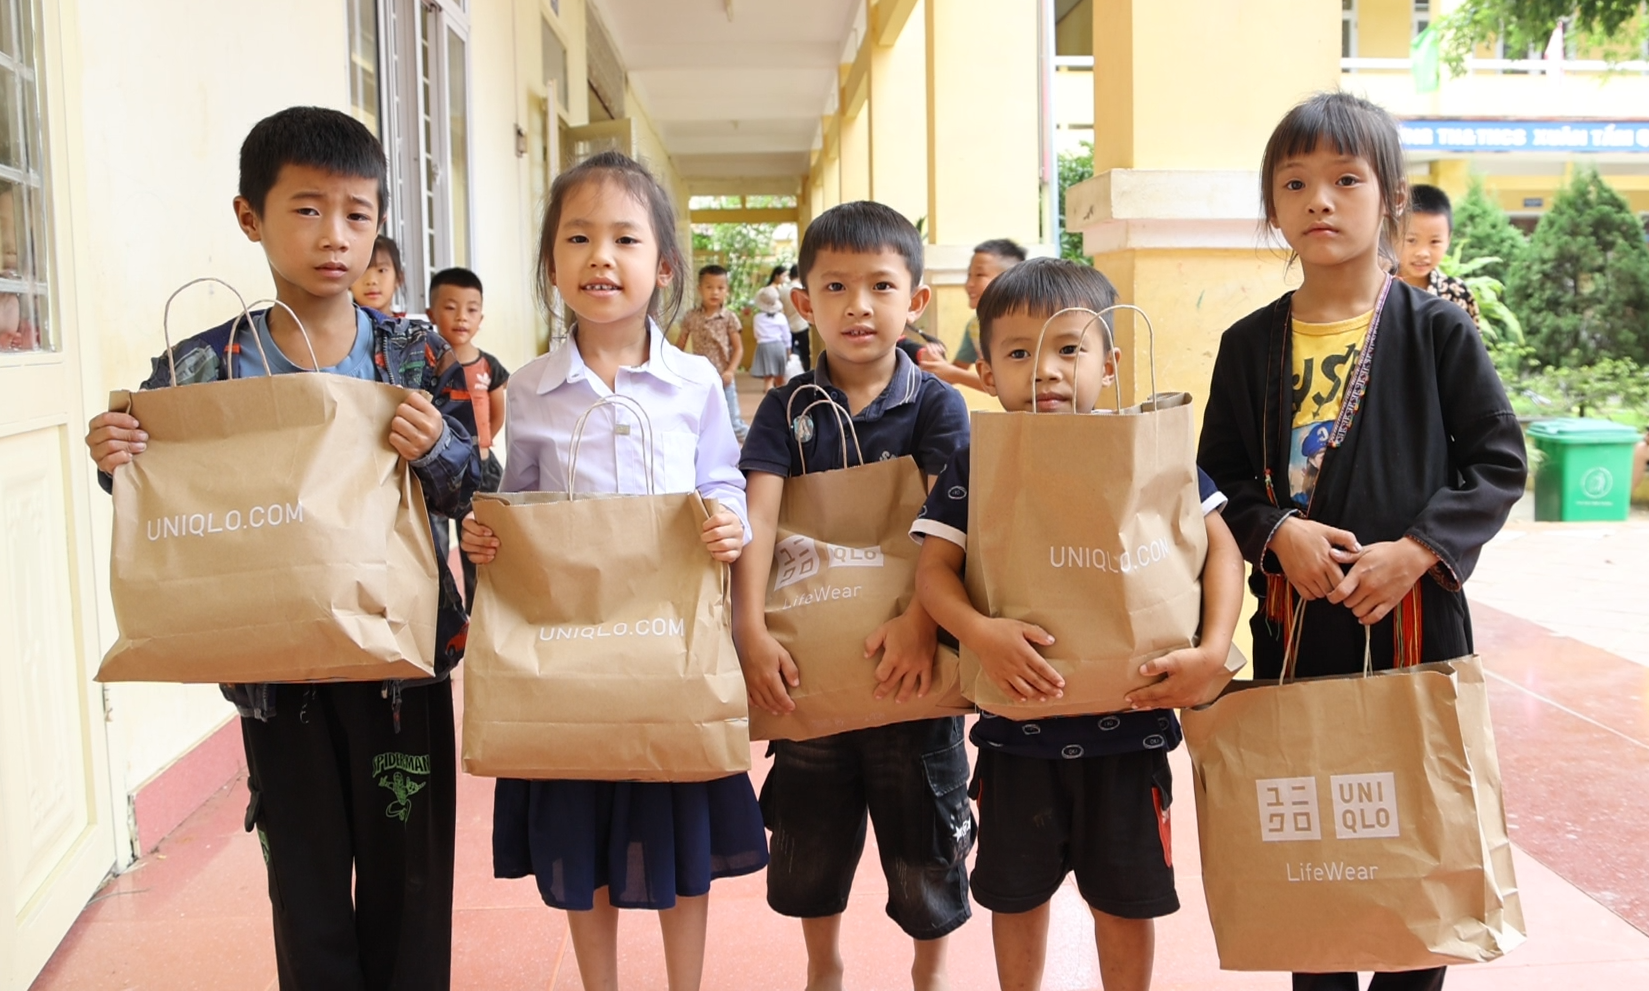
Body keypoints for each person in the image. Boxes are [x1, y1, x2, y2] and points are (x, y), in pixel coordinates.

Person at [83, 106, 478, 990]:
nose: (334, 235)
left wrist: (437, 450)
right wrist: (115, 458)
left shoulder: (413, 355)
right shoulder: (207, 366)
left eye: (356, 213)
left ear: (377, 223)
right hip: (274, 678)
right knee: (304, 888)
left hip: (401, 667)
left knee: (411, 889)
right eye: (306, 209)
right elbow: (153, 489)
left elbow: (471, 487)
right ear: (249, 217)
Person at [1198, 92, 1527, 991]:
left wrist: (1416, 548)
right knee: (1311, 846)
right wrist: (1278, 533)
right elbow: (1215, 482)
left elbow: (1497, 460)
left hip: (1412, 622)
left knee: (1418, 834)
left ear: (1389, 198)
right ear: (1272, 205)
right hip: (1297, 626)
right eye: (1294, 182)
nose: (1319, 200)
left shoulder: (1434, 331)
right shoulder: (1248, 345)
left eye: (1346, 180)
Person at [459, 150, 766, 991]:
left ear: (662, 266)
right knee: (580, 840)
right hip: (571, 657)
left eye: (625, 239)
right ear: (551, 265)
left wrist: (727, 517)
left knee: (680, 841)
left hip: (669, 650)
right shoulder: (531, 388)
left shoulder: (692, 381)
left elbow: (719, 474)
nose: (601, 256)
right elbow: (519, 497)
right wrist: (490, 535)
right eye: (578, 238)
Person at [913, 256, 1245, 991]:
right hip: (1016, 735)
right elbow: (933, 572)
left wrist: (1213, 649)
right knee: (1014, 894)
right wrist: (980, 632)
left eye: (1069, 348)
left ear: (1110, 362)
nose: (1045, 370)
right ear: (986, 370)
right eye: (1018, 352)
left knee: (1126, 900)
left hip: (1131, 733)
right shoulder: (979, 462)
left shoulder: (1146, 450)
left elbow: (1222, 549)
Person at [733, 200, 973, 991]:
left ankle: (930, 973)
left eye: (880, 286)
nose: (858, 306)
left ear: (916, 300)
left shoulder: (935, 404)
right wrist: (749, 630)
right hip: (812, 674)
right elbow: (758, 520)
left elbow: (952, 524)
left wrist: (921, 621)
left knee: (927, 847)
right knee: (809, 842)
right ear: (804, 301)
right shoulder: (786, 408)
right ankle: (823, 966)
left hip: (912, 672)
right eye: (835, 287)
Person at [427, 265, 510, 604]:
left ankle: (483, 610)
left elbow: (497, 412)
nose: (462, 317)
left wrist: (482, 446)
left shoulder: (489, 366)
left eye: (471, 310)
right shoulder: (426, 363)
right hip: (436, 468)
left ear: (481, 318)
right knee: (434, 543)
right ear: (431, 314)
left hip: (482, 465)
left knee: (484, 542)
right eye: (450, 307)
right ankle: (442, 613)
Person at [921, 238, 1026, 393]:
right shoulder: (976, 327)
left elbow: (1010, 384)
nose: (970, 283)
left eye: (979, 275)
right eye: (969, 275)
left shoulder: (1028, 323)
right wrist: (934, 363)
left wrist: (952, 372)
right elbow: (951, 374)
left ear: (1008, 280)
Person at [1396, 184, 1481, 330]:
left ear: (1448, 239)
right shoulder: (1376, 290)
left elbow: (1470, 342)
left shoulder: (1457, 294)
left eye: (1434, 242)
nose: (1422, 253)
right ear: (1392, 236)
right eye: (1411, 240)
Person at [680, 263, 748, 442]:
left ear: (727, 291)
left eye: (720, 288)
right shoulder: (691, 317)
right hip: (699, 379)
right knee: (700, 423)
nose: (715, 292)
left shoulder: (729, 317)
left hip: (723, 378)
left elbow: (738, 348)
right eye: (709, 287)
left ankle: (760, 449)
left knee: (734, 424)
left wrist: (730, 371)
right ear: (700, 289)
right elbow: (679, 347)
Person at [749, 284, 792, 390]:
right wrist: (788, 350)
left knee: (768, 378)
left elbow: (756, 334)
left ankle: (769, 395)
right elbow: (787, 335)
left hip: (764, 347)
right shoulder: (781, 317)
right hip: (779, 346)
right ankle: (782, 397)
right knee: (780, 377)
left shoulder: (757, 318)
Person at [353, 234, 405, 317]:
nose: (371, 280)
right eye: (362, 270)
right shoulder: (338, 324)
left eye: (382, 270)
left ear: (399, 279)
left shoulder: (409, 325)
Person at [783, 263, 813, 371]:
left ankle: (788, 375)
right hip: (802, 325)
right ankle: (807, 373)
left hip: (788, 327)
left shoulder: (782, 290)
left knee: (789, 353)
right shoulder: (803, 290)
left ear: (790, 275)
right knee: (805, 353)